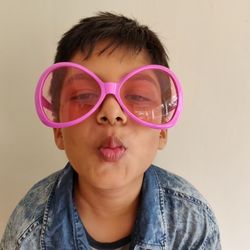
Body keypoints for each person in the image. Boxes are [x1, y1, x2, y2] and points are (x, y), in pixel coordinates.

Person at [0, 12, 221, 250]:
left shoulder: (192, 224)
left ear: (162, 131)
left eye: (137, 96)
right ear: (58, 129)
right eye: (85, 96)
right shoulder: (27, 233)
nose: (112, 112)